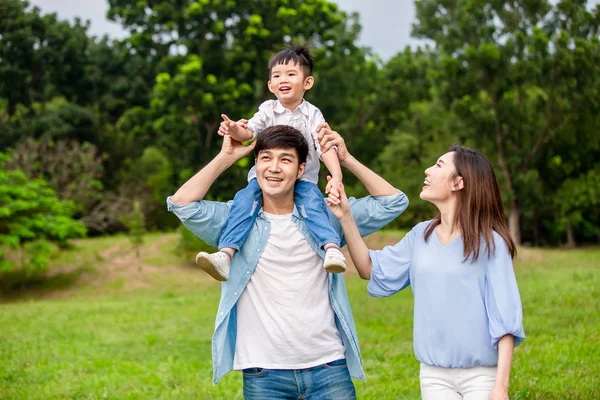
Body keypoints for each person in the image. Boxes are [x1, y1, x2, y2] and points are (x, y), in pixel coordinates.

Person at [167, 125, 408, 398]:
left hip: (329, 365)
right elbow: (181, 204)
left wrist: (346, 159)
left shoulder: (326, 217)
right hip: (264, 373)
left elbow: (393, 202)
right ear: (255, 165)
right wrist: (225, 157)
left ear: (301, 170)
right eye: (266, 158)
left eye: (285, 159)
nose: (274, 168)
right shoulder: (236, 220)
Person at [327, 144, 525, 400]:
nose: (428, 170)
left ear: (458, 183)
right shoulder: (421, 234)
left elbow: (505, 318)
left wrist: (501, 386)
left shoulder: (491, 243)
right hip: (433, 376)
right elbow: (369, 268)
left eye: (439, 165)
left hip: (481, 374)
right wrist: (345, 217)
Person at [195, 43, 347, 281]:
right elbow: (250, 134)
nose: (283, 79)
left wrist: (336, 177)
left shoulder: (313, 114)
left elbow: (324, 145)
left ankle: (332, 249)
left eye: (291, 74)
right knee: (244, 201)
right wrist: (234, 129)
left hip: (303, 179)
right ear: (270, 85)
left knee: (314, 205)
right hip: (265, 179)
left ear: (307, 83)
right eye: (277, 75)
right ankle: (225, 254)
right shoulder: (267, 110)